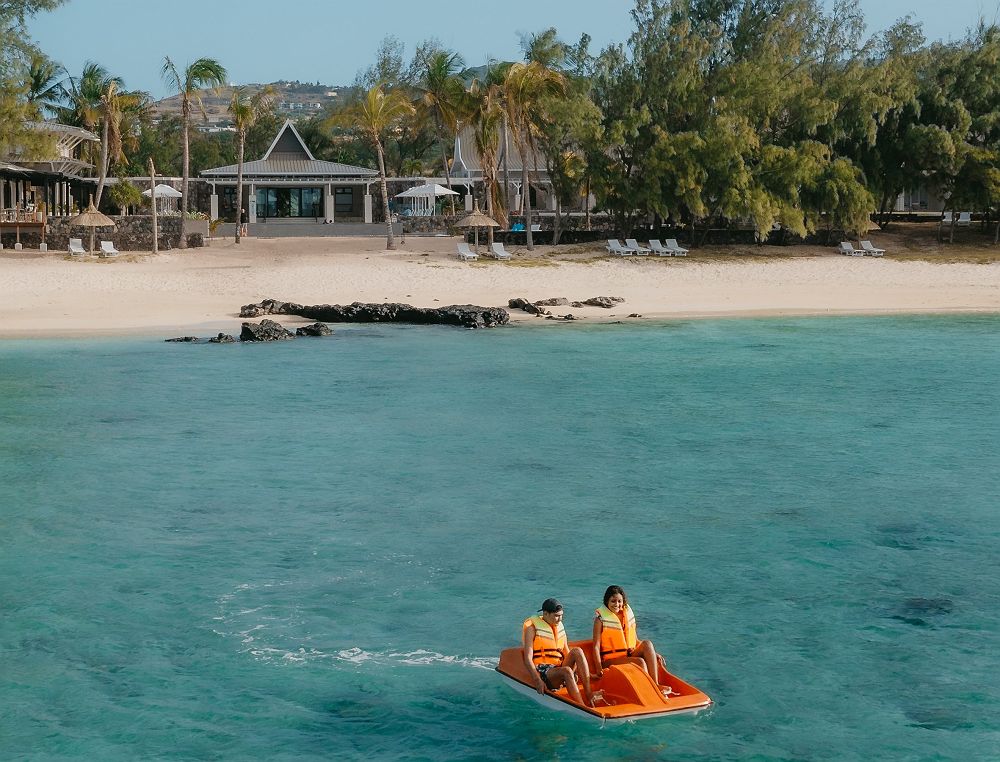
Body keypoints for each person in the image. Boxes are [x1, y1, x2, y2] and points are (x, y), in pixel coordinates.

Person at [522, 598, 596, 707]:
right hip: (543, 670)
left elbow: (566, 651)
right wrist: (537, 680)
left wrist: (581, 673)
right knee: (566, 671)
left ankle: (589, 694)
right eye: (556, 616)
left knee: (577, 651)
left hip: (558, 667)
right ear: (546, 614)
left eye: (561, 615)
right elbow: (528, 658)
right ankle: (582, 707)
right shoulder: (532, 629)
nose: (559, 619)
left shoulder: (559, 627)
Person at [592, 585, 664, 683]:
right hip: (610, 660)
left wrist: (652, 653)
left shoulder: (626, 615)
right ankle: (648, 688)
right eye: (613, 601)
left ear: (623, 602)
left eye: (619, 601)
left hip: (627, 655)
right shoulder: (600, 620)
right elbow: (596, 646)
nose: (616, 604)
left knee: (647, 644)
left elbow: (635, 640)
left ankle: (655, 684)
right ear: (607, 602)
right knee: (640, 662)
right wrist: (599, 669)